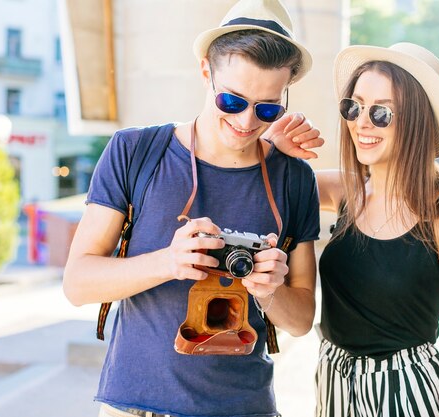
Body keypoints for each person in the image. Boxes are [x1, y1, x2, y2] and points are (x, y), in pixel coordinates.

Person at [62, 1, 321, 416]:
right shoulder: (135, 152)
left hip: (244, 407)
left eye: (268, 108)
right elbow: (77, 283)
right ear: (206, 72)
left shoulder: (293, 179)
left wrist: (270, 291)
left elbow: (302, 319)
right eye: (233, 101)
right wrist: (169, 261)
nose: (248, 121)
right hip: (135, 406)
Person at [274, 42, 439, 416]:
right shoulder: (344, 190)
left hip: (406, 392)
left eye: (382, 112)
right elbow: (264, 185)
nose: (362, 122)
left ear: (419, 120)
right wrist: (274, 145)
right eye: (353, 106)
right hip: (334, 384)